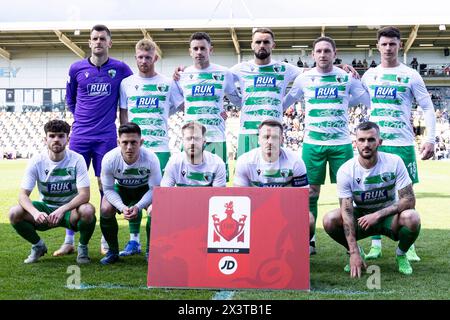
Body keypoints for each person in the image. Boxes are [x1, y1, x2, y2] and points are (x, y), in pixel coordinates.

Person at [283, 36, 370, 254]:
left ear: (334, 53)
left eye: (327, 51)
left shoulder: (346, 78)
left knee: (349, 194)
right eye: (319, 51)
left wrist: (363, 79)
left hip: (341, 143)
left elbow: (367, 99)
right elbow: (286, 101)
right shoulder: (305, 79)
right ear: (313, 54)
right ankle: (309, 240)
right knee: (310, 192)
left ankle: (352, 239)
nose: (323, 55)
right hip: (313, 143)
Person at [361, 26, 436, 261]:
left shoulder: (412, 75)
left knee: (405, 194)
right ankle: (376, 243)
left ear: (399, 45)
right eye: (384, 44)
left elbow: (427, 107)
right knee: (374, 192)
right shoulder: (369, 75)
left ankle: (407, 243)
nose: (388, 48)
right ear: (378, 46)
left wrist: (430, 138)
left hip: (402, 143)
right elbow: (351, 92)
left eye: (392, 44)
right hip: (376, 144)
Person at [62, 24, 133, 256]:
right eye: (95, 38)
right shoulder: (76, 68)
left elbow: (136, 88)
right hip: (80, 136)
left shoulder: (121, 69)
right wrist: (82, 119)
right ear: (89, 43)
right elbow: (70, 100)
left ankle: (104, 238)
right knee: (75, 187)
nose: (99, 42)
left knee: (106, 187)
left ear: (110, 43)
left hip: (106, 137)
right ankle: (69, 239)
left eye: (103, 38)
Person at [323, 121, 421, 276]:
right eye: (361, 140)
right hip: (362, 218)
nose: (366, 144)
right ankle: (357, 253)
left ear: (379, 142)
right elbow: (347, 212)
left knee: (412, 217)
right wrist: (353, 251)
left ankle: (401, 254)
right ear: (355, 143)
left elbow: (409, 200)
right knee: (330, 219)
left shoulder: (395, 162)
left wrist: (377, 215)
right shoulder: (346, 170)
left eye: (371, 140)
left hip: (389, 217)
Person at [119, 38, 183, 256]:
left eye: (148, 57)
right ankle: (134, 241)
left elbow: (181, 105)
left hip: (161, 147)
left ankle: (152, 244)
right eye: (140, 57)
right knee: (134, 193)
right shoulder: (126, 83)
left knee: (158, 197)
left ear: (155, 57)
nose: (144, 61)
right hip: (135, 150)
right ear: (135, 57)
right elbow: (124, 114)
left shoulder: (167, 83)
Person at [9, 120, 96, 264]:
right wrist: (36, 213)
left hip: (70, 211)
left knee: (87, 210)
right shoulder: (36, 161)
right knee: (14, 212)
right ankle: (38, 246)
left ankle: (82, 248)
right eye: (52, 136)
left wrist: (62, 209)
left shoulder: (77, 159)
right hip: (46, 209)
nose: (56, 139)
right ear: (45, 139)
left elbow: (84, 195)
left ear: (67, 139)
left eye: (61, 136)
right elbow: (22, 195)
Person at [172, 32, 241, 179]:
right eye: (195, 49)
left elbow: (236, 99)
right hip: (191, 138)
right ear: (190, 52)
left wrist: (220, 111)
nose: (199, 52)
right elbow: (181, 104)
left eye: (203, 48)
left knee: (218, 184)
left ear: (211, 50)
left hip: (216, 137)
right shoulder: (181, 76)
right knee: (188, 183)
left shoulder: (224, 73)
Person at [233, 120, 315, 240]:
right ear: (258, 139)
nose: (270, 141)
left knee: (309, 219)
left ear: (282, 140)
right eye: (266, 137)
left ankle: (298, 250)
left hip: (285, 209)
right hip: (254, 210)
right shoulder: (244, 161)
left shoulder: (296, 162)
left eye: (275, 137)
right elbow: (238, 199)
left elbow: (301, 199)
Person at [230, 28, 303, 158]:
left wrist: (337, 68)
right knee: (245, 176)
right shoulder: (240, 68)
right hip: (248, 132)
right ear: (252, 44)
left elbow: (312, 73)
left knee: (273, 175)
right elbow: (215, 77)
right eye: (258, 42)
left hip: (274, 133)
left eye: (266, 42)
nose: (262, 45)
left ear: (273, 45)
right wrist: (184, 71)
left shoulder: (284, 68)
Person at [99, 123, 161, 264]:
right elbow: (107, 189)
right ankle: (113, 252)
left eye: (134, 142)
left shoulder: (151, 158)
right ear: (118, 142)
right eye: (125, 142)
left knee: (157, 209)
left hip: (144, 190)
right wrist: (121, 207)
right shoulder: (109, 159)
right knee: (105, 208)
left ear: (141, 142)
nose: (129, 147)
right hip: (121, 190)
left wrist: (138, 207)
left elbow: (155, 189)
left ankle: (151, 252)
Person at [161, 121, 226, 187]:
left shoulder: (217, 163)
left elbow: (218, 195)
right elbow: (164, 192)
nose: (192, 142)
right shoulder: (174, 162)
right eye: (188, 138)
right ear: (183, 142)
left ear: (204, 142)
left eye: (197, 138)